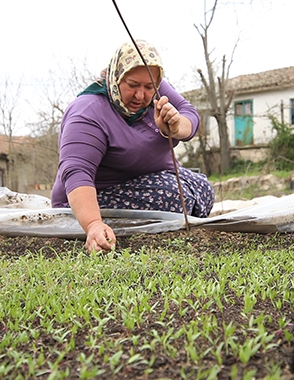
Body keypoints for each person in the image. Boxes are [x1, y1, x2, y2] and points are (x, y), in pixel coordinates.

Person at [52, 40, 214, 252]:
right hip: (97, 194)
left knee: (202, 187)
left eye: (149, 87)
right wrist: (93, 224)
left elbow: (187, 112)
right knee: (175, 196)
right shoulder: (88, 113)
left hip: (150, 179)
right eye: (132, 85)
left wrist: (175, 127)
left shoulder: (155, 88)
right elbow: (77, 172)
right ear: (116, 77)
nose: (141, 95)